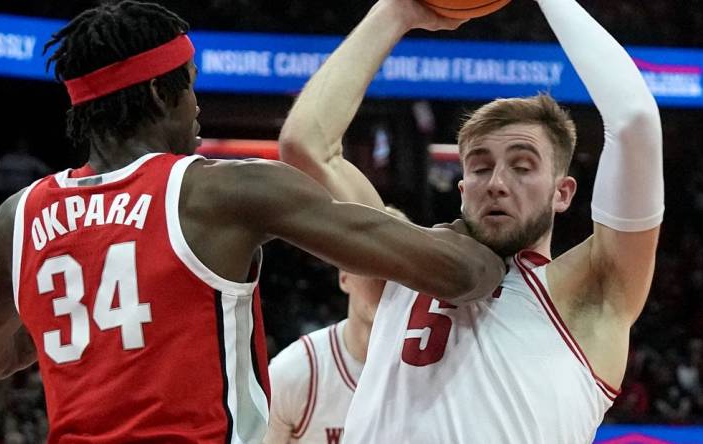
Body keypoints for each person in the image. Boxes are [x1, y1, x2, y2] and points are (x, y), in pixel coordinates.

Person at [0, 2, 505, 443]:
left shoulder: (16, 219)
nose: (197, 106)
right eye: (190, 84)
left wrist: (88, 323)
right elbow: (454, 273)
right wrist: (488, 252)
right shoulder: (220, 191)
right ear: (156, 92)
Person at [279, 0, 663, 441]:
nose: (497, 182)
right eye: (480, 167)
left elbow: (634, 120)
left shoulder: (591, 293)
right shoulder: (403, 264)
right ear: (462, 190)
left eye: (522, 166)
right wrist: (394, 12)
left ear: (563, 192)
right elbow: (307, 146)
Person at [264, 207, 407, 444]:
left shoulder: (435, 373)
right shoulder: (295, 371)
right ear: (344, 276)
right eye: (371, 263)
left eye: (396, 265)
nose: (384, 280)